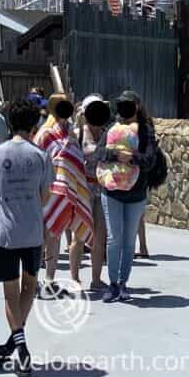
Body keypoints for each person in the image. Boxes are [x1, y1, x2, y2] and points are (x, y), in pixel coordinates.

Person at [0, 97, 52, 377]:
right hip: (33, 231)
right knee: (29, 288)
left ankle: (19, 346)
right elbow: (45, 196)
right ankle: (15, 342)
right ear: (34, 124)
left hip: (5, 232)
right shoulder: (41, 155)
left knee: (9, 293)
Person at [95, 90, 157, 302]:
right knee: (114, 239)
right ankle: (112, 284)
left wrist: (131, 158)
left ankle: (123, 283)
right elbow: (99, 153)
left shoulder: (145, 131)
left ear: (136, 106)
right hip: (111, 191)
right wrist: (116, 155)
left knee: (129, 240)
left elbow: (150, 160)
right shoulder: (112, 128)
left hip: (136, 193)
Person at [37, 97, 92, 293]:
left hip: (68, 192)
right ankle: (37, 278)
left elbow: (77, 161)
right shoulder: (45, 134)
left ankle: (50, 279)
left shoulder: (72, 133)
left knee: (56, 235)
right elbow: (39, 159)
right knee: (45, 236)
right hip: (48, 190)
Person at [76, 96, 111, 291]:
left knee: (100, 237)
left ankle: (96, 280)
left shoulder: (107, 132)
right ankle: (75, 278)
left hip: (102, 189)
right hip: (83, 190)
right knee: (79, 236)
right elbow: (88, 152)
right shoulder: (78, 132)